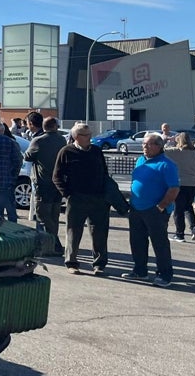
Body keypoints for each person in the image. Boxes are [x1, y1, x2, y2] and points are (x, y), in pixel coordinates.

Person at [53, 122, 112, 275]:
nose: (90, 138)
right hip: (76, 199)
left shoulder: (97, 151)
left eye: (90, 134)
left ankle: (99, 264)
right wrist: (67, 194)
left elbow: (104, 173)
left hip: (98, 199)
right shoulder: (66, 152)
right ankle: (72, 263)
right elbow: (56, 176)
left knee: (99, 232)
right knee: (73, 231)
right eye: (86, 135)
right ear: (76, 137)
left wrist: (105, 194)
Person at [122, 133, 180, 287]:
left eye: (149, 144)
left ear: (159, 146)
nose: (145, 147)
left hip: (155, 211)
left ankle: (164, 274)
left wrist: (160, 207)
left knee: (159, 243)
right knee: (137, 241)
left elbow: (174, 189)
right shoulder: (140, 161)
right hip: (136, 208)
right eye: (143, 144)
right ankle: (140, 271)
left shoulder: (167, 164)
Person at [23, 115, 66, 257]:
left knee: (43, 215)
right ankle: (52, 243)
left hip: (43, 182)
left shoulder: (38, 141)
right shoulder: (61, 139)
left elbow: (27, 156)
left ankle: (54, 244)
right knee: (54, 215)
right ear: (55, 126)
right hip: (58, 183)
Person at [165, 132, 195, 242]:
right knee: (188, 207)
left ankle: (179, 234)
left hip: (179, 183)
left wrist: (168, 141)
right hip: (193, 184)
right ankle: (194, 227)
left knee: (178, 209)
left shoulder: (174, 152)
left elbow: (161, 150)